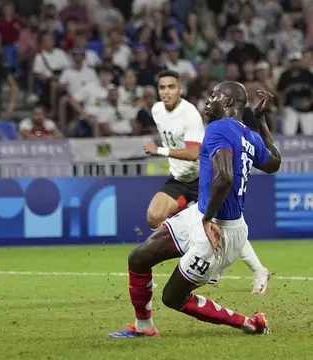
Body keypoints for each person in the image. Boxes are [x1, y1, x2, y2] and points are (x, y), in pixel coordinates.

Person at [109, 83, 281, 338]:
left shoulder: (219, 128)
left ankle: (250, 323)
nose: (208, 100)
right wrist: (261, 121)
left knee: (173, 297)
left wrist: (208, 219)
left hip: (218, 229)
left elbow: (223, 178)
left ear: (230, 103)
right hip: (201, 216)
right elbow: (274, 163)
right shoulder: (248, 135)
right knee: (139, 258)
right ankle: (144, 327)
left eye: (214, 96)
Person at [145, 70, 271, 294]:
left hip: (202, 175)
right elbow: (273, 163)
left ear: (180, 90)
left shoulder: (192, 114)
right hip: (180, 177)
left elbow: (195, 154)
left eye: (171, 87)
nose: (166, 92)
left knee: (223, 223)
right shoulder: (156, 111)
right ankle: (200, 255)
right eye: (162, 88)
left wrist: (159, 150)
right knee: (154, 216)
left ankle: (255, 269)